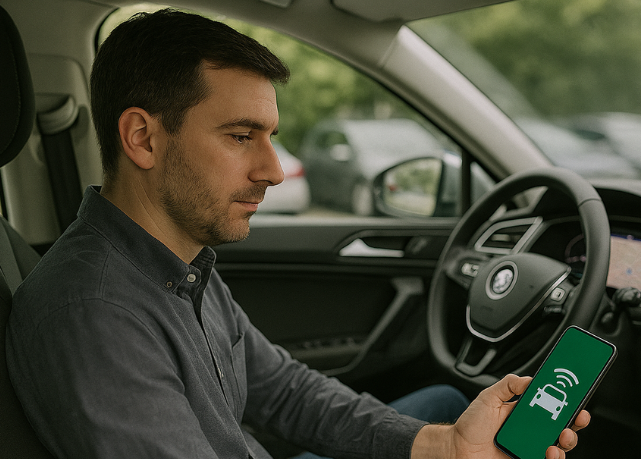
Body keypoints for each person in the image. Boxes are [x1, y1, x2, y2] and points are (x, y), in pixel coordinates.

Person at [6, 9, 588, 459]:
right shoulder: (95, 312)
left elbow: (284, 390)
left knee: (445, 411)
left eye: (270, 136)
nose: (274, 170)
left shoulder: (181, 264)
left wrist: (445, 446)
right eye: (241, 136)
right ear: (143, 138)